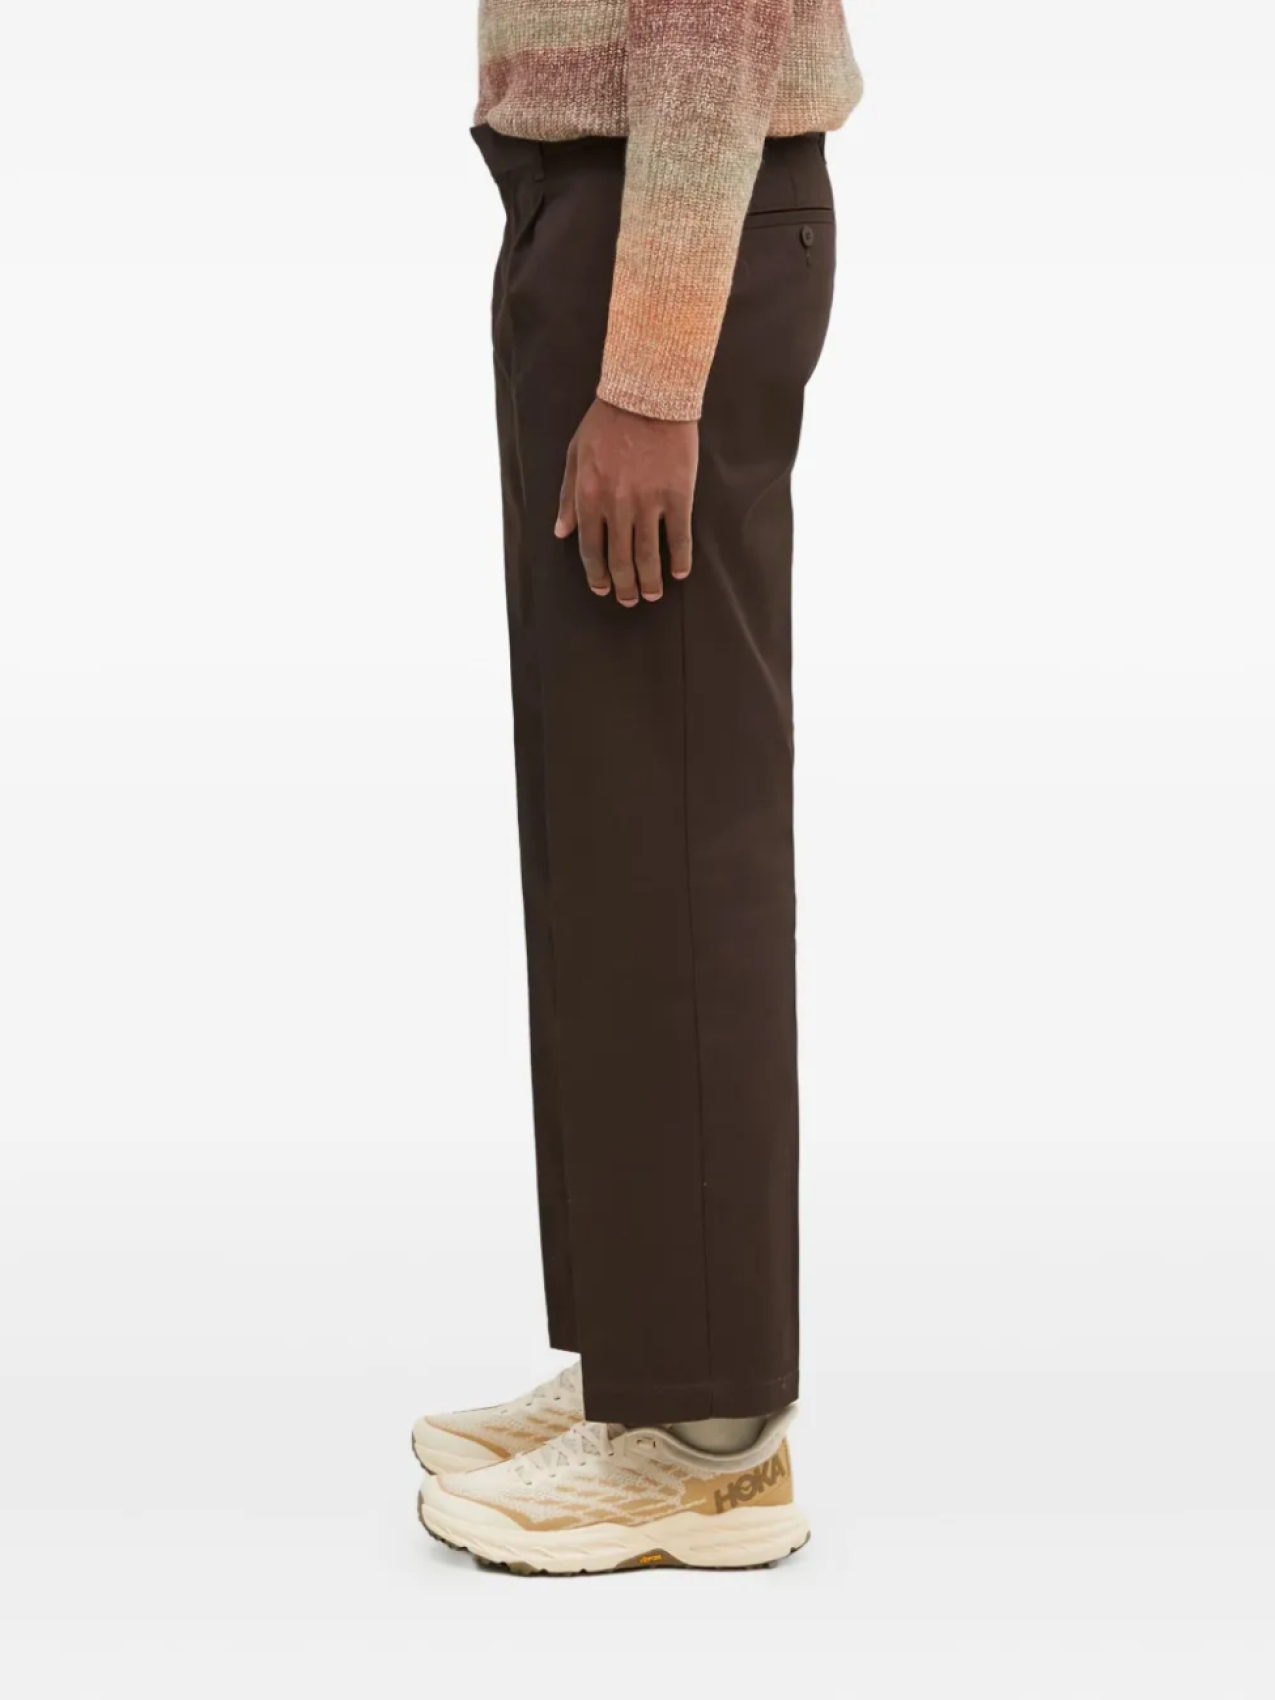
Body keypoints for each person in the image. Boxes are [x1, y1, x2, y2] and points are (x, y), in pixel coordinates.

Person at [414, 0, 862, 1576]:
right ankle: (643, 1358)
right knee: (611, 830)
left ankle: (709, 1435)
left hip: (669, 225)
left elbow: (714, 16)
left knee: (673, 828)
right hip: (601, 211)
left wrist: (657, 370)